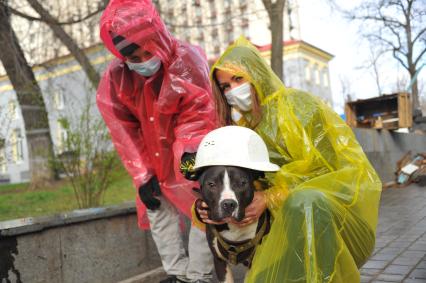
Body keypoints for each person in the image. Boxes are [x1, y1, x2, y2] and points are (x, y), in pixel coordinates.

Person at [195, 36, 382, 282]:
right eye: (225, 87)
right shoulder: (244, 129)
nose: (232, 91)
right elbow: (235, 180)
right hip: (283, 226)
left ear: (257, 73)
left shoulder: (298, 106)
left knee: (304, 201)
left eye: (238, 79)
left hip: (333, 217)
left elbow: (329, 171)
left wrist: (272, 197)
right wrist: (205, 208)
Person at [96, 1, 216, 282]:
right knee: (156, 206)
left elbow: (198, 116)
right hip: (152, 156)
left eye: (146, 51)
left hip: (190, 150)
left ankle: (199, 275)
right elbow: (123, 129)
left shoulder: (186, 61)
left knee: (201, 207)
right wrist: (142, 174)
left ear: (158, 37)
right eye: (133, 57)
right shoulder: (117, 77)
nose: (142, 61)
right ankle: (177, 274)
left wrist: (189, 159)